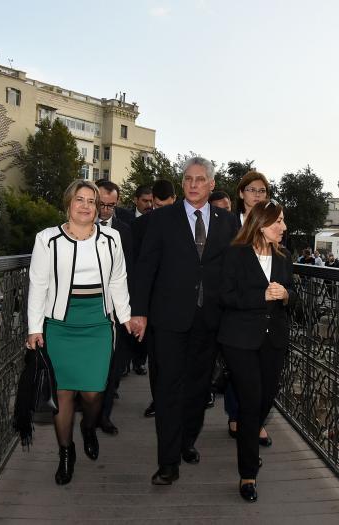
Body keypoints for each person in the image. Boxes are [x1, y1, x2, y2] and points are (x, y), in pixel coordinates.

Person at [131, 156, 238, 485]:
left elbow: (235, 270)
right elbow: (146, 267)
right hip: (168, 318)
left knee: (197, 389)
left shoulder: (228, 222)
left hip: (210, 320)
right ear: (182, 184)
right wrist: (139, 311)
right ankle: (167, 463)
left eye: (200, 179)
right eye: (188, 179)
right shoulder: (161, 219)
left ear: (212, 184)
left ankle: (186, 441)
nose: (193, 184)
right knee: (168, 389)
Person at [26, 180, 132, 485]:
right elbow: (38, 284)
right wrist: (34, 328)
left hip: (98, 323)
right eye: (79, 199)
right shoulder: (47, 239)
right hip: (60, 324)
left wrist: (125, 316)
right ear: (68, 204)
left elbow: (118, 279)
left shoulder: (111, 238)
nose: (86, 206)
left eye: (91, 201)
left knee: (93, 392)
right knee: (62, 394)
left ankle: (88, 426)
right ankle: (66, 452)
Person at [218, 199, 295, 502]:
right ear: (261, 224)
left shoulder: (284, 257)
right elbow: (225, 296)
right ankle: (248, 473)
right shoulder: (235, 254)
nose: (283, 227)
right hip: (239, 339)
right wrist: (260, 296)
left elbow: (295, 296)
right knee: (250, 402)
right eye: (278, 221)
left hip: (273, 339)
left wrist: (286, 294)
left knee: (266, 398)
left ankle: (248, 436)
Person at [227, 170, 274, 445]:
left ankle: (254, 422)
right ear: (241, 192)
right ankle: (237, 416)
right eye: (252, 190)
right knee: (237, 369)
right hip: (234, 306)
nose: (257, 195)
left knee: (260, 374)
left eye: (262, 191)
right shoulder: (228, 223)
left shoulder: (273, 222)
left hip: (262, 311)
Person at [131, 179, 177, 419]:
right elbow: (137, 269)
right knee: (157, 357)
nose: (162, 211)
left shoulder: (188, 224)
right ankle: (158, 400)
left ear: (175, 200)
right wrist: (138, 309)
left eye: (167, 206)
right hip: (152, 304)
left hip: (181, 302)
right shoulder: (140, 226)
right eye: (157, 206)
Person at [95, 179, 135, 436]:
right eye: (102, 204)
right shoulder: (77, 225)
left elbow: (131, 271)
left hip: (116, 310)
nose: (106, 210)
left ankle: (104, 415)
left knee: (112, 366)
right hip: (83, 308)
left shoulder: (125, 231)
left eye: (111, 205)